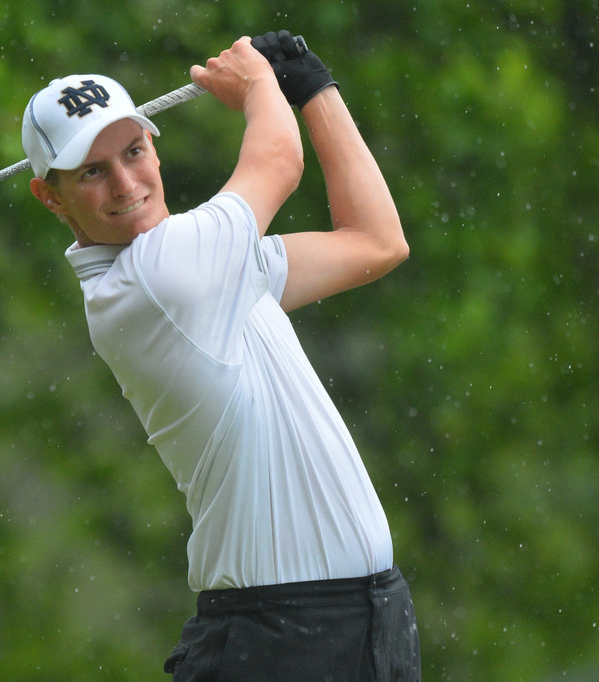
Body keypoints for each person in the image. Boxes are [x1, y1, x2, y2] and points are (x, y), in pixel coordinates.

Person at [21, 31, 420, 681]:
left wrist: (315, 89)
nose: (126, 183)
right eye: (93, 171)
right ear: (51, 195)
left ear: (153, 145)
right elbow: (278, 163)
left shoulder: (214, 268)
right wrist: (260, 83)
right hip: (280, 638)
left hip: (360, 622)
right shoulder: (155, 276)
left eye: (133, 151)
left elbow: (375, 241)